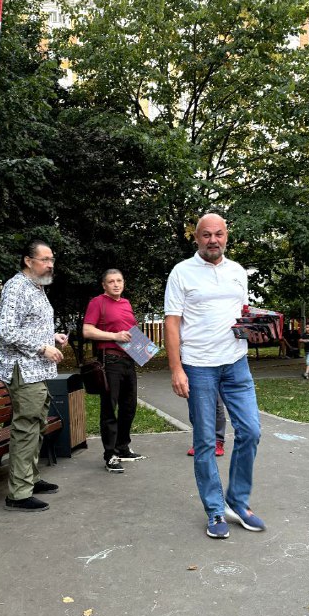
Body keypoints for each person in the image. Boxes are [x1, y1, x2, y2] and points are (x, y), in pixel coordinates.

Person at [164, 213, 264, 539]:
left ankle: (237, 500)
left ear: (226, 236)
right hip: (198, 366)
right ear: (196, 238)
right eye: (206, 235)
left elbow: (242, 314)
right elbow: (172, 323)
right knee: (206, 441)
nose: (213, 240)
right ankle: (215, 510)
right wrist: (177, 368)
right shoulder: (181, 273)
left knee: (250, 430)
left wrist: (258, 326)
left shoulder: (237, 272)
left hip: (236, 363)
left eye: (219, 234)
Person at [0, 239, 68, 512]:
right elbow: (6, 332)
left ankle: (30, 478)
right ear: (28, 260)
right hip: (22, 370)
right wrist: (42, 347)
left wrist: (52, 337)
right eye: (44, 259)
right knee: (26, 429)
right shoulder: (16, 287)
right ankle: (18, 493)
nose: (50, 264)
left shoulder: (36, 288)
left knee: (36, 426)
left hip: (36, 370)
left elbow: (29, 327)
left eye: (52, 260)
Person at [83, 269, 144, 473]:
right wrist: (114, 336)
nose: (116, 284)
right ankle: (110, 455)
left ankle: (122, 448)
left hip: (129, 360)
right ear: (104, 285)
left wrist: (142, 349)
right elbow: (87, 330)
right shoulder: (97, 302)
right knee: (109, 408)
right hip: (109, 361)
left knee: (129, 406)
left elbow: (130, 332)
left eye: (119, 281)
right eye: (111, 281)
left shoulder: (125, 303)